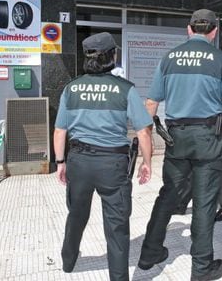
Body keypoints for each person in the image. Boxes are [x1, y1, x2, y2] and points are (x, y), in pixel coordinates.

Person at [138, 9, 222, 281]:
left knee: (168, 196)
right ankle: (201, 268)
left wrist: (145, 147)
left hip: (177, 138)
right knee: (204, 203)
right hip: (208, 140)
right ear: (214, 31)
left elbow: (150, 104)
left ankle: (149, 254)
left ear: (189, 30)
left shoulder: (169, 59)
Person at [54, 32, 153, 281]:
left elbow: (60, 130)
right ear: (112, 55)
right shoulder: (125, 89)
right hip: (113, 165)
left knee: (76, 214)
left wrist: (60, 162)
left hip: (79, 161)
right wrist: (147, 162)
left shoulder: (71, 88)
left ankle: (68, 262)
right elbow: (143, 131)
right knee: (117, 227)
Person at [173, 112, 222, 221]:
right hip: (192, 130)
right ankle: (180, 204)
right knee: (192, 168)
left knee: (215, 169)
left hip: (212, 131)